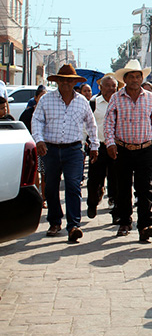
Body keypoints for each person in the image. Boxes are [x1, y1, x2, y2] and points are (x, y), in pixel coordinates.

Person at [31, 64, 99, 243]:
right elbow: (36, 120)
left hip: (74, 150)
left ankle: (74, 225)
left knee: (73, 186)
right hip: (51, 149)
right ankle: (54, 221)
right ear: (57, 82)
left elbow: (91, 125)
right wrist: (38, 140)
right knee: (51, 187)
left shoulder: (82, 101)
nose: (65, 84)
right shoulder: (46, 100)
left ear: (74, 82)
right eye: (62, 81)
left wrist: (94, 146)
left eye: (69, 81)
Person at [104, 59, 152, 243]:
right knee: (123, 187)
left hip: (145, 148)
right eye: (132, 76)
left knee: (145, 188)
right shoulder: (116, 97)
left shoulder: (151, 98)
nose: (135, 80)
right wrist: (110, 144)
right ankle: (124, 222)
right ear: (126, 79)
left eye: (138, 76)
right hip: (122, 148)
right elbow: (108, 122)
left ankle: (145, 225)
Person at [86, 74, 119, 221]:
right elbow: (85, 124)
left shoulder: (120, 103)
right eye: (108, 86)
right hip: (98, 146)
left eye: (114, 86)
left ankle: (116, 208)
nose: (111, 89)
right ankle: (92, 202)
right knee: (94, 179)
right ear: (101, 87)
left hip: (116, 146)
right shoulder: (93, 103)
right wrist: (85, 143)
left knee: (117, 179)